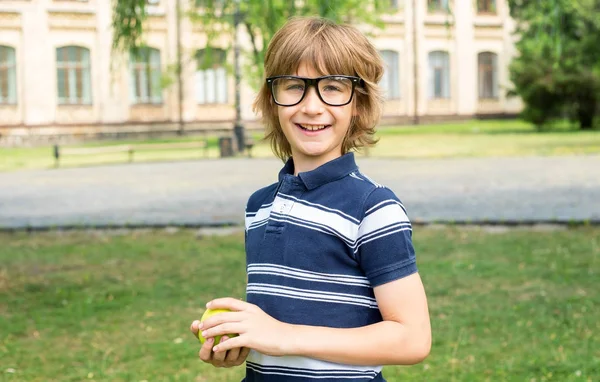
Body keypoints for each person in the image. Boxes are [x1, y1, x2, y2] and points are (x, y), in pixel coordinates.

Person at [190, 16, 431, 382]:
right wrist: (243, 341)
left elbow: (412, 338)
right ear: (272, 101)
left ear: (358, 104)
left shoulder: (373, 208)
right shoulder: (258, 207)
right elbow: (277, 331)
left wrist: (285, 337)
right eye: (293, 86)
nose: (312, 106)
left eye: (333, 87)